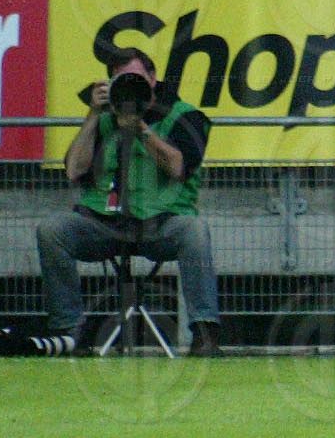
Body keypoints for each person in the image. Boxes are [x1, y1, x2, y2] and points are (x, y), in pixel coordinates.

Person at [37, 47, 222, 357]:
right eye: (120, 81)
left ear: (153, 78)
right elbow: (73, 170)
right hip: (106, 221)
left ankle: (205, 332)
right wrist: (93, 114)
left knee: (194, 231)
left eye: (136, 79)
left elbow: (178, 168)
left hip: (163, 222)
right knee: (52, 230)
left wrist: (140, 128)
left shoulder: (185, 116)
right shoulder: (104, 118)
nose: (130, 86)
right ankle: (67, 332)